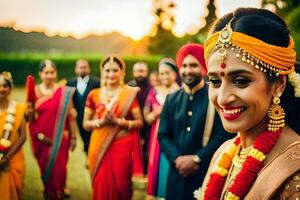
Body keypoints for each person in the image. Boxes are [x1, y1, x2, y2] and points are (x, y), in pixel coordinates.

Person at [198, 8, 300, 200]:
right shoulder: (224, 152)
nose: (222, 98)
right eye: (215, 82)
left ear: (278, 85)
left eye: (240, 81)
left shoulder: (294, 172)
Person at [158, 43, 232, 200]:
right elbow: (163, 135)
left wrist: (197, 159)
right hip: (175, 172)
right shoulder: (172, 99)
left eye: (193, 65)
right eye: (184, 65)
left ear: (203, 68)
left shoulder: (214, 97)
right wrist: (177, 159)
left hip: (205, 172)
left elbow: (223, 133)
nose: (187, 70)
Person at [83, 56, 144, 200]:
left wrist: (118, 122)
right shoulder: (94, 94)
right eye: (107, 70)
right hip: (99, 144)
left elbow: (139, 122)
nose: (111, 74)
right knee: (99, 183)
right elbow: (85, 124)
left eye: (115, 70)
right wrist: (100, 122)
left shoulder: (128, 93)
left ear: (122, 73)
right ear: (102, 72)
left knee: (121, 186)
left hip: (122, 147)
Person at [26, 60, 77, 200]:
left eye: (52, 72)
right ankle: (49, 192)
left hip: (61, 137)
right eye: (46, 72)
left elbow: (70, 115)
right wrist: (40, 135)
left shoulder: (64, 91)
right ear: (40, 74)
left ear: (56, 73)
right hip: (41, 139)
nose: (49, 75)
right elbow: (30, 119)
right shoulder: (34, 91)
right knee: (45, 168)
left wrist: (73, 137)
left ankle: (59, 191)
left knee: (60, 168)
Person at [145, 58, 180, 199]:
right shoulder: (154, 92)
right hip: (156, 136)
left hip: (174, 135)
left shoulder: (181, 92)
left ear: (175, 74)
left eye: (167, 73)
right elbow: (146, 117)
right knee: (156, 165)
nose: (164, 76)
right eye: (161, 74)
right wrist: (156, 113)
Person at [0, 72, 27, 200]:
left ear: (10, 88)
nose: (1, 89)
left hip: (13, 157)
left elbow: (23, 136)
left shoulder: (19, 108)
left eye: (5, 86)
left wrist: (7, 158)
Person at [67, 59, 100, 155]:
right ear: (76, 69)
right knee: (84, 140)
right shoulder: (70, 83)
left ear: (89, 69)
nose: (83, 69)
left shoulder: (96, 83)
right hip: (78, 119)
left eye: (85, 67)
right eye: (80, 67)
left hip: (92, 119)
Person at [127, 61, 152, 174]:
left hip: (149, 128)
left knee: (147, 153)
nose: (140, 74)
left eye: (142, 71)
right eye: (137, 71)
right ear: (133, 72)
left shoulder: (152, 89)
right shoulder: (128, 88)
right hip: (131, 127)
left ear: (146, 72)